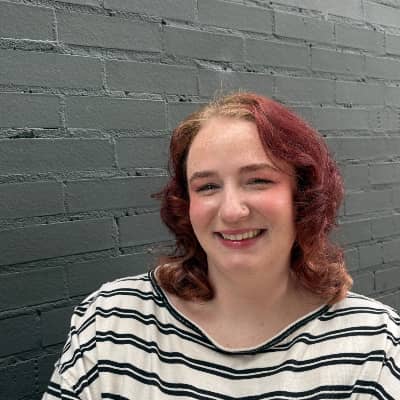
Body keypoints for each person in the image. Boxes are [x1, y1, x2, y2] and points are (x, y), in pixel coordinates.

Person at [43, 93, 400, 399]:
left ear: (303, 195)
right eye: (208, 187)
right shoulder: (113, 322)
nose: (231, 211)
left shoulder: (376, 347)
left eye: (257, 180)